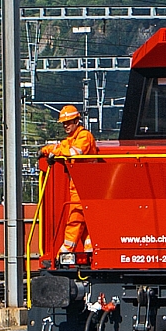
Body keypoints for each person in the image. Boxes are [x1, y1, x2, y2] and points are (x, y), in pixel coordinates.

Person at [40, 105, 97, 256]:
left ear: (77, 121)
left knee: (76, 217)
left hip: (86, 185)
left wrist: (54, 152)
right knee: (84, 221)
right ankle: (90, 249)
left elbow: (73, 153)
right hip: (80, 185)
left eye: (69, 122)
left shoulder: (84, 137)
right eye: (64, 123)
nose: (66, 125)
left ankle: (66, 251)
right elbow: (59, 146)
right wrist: (44, 150)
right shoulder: (72, 139)